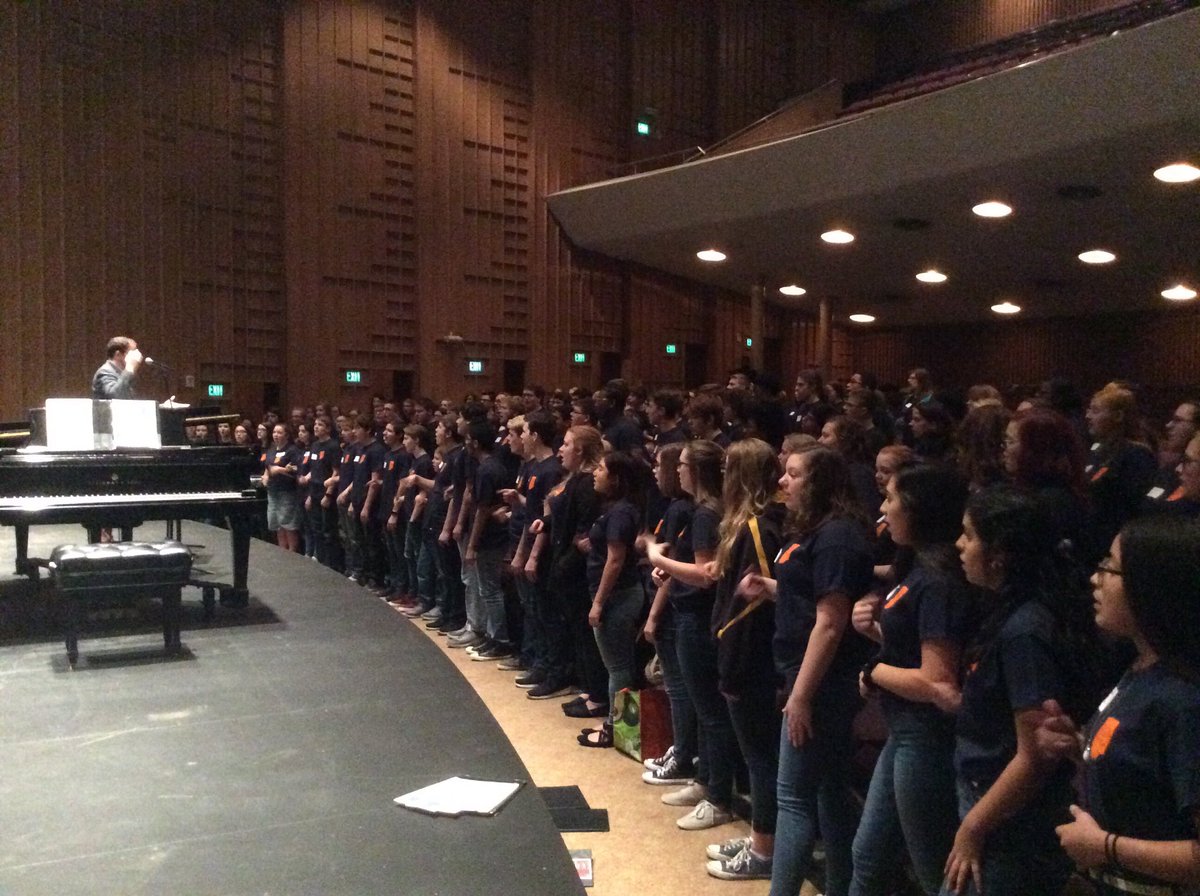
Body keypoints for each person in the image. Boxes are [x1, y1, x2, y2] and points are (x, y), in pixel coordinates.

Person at [945, 485, 1102, 896]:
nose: (959, 545)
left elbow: (1035, 755)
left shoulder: (1025, 632)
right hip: (995, 810)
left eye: (969, 535)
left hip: (1007, 826)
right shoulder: (1012, 611)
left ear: (999, 555)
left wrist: (972, 827)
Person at [1035, 516, 1200, 896]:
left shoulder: (1184, 701)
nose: (1095, 579)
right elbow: (1147, 775)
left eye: (1109, 567)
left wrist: (1105, 847)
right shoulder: (1141, 667)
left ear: (1152, 585)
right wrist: (1080, 748)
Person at [740, 446, 874, 896]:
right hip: (806, 675)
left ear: (820, 483)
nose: (782, 482)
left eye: (793, 474)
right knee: (830, 794)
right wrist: (770, 587)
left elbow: (832, 623)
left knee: (793, 799)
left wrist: (799, 697)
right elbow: (810, 597)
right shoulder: (817, 530)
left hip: (820, 684)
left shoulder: (837, 536)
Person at [849, 464, 973, 895]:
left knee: (933, 868)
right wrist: (873, 632)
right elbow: (913, 651)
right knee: (867, 855)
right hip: (903, 733)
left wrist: (873, 670)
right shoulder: (915, 566)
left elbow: (935, 682)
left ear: (918, 510)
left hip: (926, 738)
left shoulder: (938, 580)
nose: (882, 510)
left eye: (891, 500)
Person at [703, 438, 787, 881]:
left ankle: (765, 850)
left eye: (726, 469)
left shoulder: (757, 528)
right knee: (757, 756)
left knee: (761, 758)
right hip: (743, 658)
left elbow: (754, 605)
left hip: (751, 663)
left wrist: (728, 655)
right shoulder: (745, 523)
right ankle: (762, 836)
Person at [577, 450, 647, 748]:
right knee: (618, 666)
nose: (595, 472)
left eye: (602, 469)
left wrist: (598, 603)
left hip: (617, 598)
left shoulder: (619, 512)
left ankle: (617, 730)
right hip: (618, 596)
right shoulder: (618, 508)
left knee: (618, 667)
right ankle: (617, 724)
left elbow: (615, 560)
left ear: (616, 478)